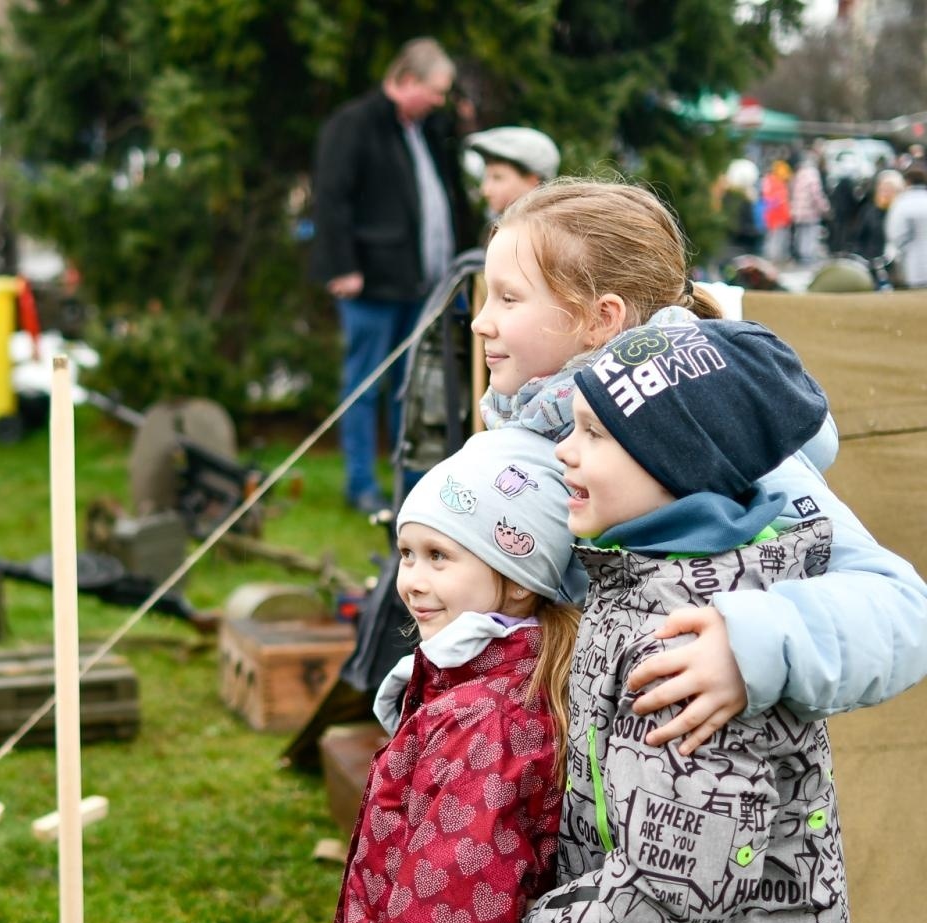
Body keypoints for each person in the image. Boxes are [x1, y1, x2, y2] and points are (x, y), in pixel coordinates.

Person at [470, 178, 927, 755]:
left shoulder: (707, 431)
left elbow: (899, 607)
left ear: (600, 319)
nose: (480, 321)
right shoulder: (525, 425)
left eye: (508, 299)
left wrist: (751, 645)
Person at [527, 319, 848, 923]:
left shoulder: (686, 641)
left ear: (680, 463)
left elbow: (670, 898)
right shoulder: (655, 580)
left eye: (596, 436)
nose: (564, 452)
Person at [316, 428, 575, 923]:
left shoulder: (484, 724)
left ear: (517, 580)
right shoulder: (467, 686)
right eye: (407, 553)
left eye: (440, 556)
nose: (413, 581)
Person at [309, 38, 470, 513]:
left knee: (415, 388)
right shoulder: (353, 125)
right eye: (434, 91)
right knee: (364, 384)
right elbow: (331, 198)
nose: (440, 101)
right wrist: (342, 266)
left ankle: (412, 485)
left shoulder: (426, 129)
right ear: (405, 80)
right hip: (370, 284)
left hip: (423, 285)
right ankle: (360, 484)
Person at [464, 125, 560, 220]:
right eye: (486, 177)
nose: (485, 191)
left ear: (534, 181)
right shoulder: (498, 226)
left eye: (497, 178)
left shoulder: (547, 233)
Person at [884, 166, 927, 288]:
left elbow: (896, 233)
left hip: (913, 261)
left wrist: (901, 249)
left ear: (907, 182)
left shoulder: (902, 202)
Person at [853, 168, 903, 264]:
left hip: (895, 265)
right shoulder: (869, 211)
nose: (885, 193)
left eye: (889, 190)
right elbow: (859, 238)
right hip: (872, 262)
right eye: (882, 189)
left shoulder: (900, 213)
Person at [789, 151, 829, 264]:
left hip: (797, 211)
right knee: (810, 235)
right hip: (809, 212)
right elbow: (816, 194)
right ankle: (807, 257)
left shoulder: (798, 174)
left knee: (800, 234)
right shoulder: (812, 174)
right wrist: (825, 207)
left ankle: (799, 255)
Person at [759, 159, 792, 262]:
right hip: (776, 217)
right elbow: (778, 202)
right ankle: (773, 259)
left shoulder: (768, 181)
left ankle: (773, 257)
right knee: (775, 239)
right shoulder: (777, 183)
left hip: (773, 216)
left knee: (773, 238)